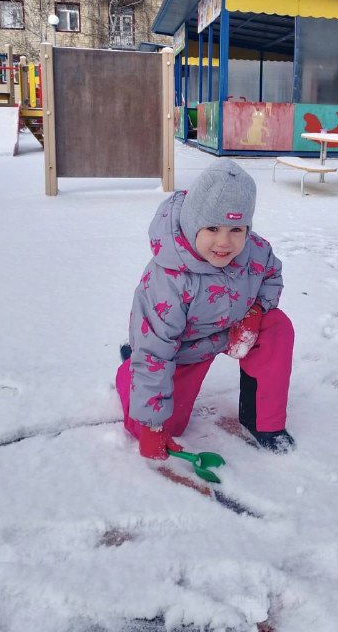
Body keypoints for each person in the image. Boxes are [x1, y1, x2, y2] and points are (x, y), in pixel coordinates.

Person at [116, 159, 295, 460]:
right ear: (192, 223)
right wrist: (152, 426)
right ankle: (126, 373)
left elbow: (271, 276)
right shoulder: (168, 281)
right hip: (182, 349)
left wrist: (256, 312)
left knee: (277, 326)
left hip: (233, 329)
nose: (224, 242)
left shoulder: (256, 251)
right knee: (163, 425)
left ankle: (263, 422)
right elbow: (155, 353)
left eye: (236, 229)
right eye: (212, 228)